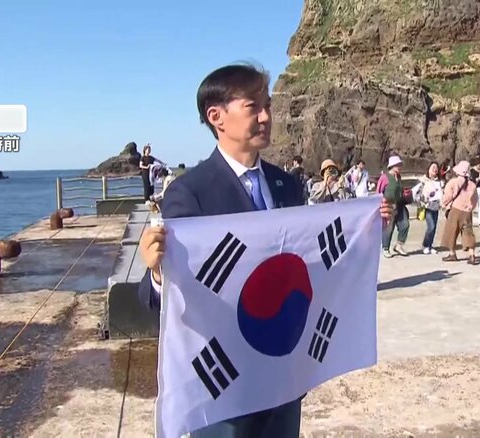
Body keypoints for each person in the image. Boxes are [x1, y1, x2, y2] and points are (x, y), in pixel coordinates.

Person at [136, 63, 392, 438]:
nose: (266, 116)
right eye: (253, 106)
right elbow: (156, 300)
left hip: (283, 376)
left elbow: (312, 263)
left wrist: (366, 230)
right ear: (216, 117)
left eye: (268, 105)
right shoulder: (190, 192)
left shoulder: (286, 184)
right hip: (226, 388)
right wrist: (159, 272)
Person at [440, 160, 479, 265]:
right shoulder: (472, 185)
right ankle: (471, 255)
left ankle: (452, 253)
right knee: (468, 232)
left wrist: (444, 204)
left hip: (455, 209)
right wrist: (470, 207)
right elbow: (475, 199)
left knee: (451, 231)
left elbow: (448, 196)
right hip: (467, 212)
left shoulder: (453, 182)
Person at [382, 155, 410, 258]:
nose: (400, 167)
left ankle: (399, 245)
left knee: (405, 224)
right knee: (389, 228)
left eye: (400, 165)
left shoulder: (399, 177)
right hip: (389, 205)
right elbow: (379, 191)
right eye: (398, 165)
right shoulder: (385, 177)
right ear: (392, 166)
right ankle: (385, 248)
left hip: (400, 204)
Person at [412, 162, 444, 254]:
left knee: (434, 228)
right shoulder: (423, 180)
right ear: (428, 169)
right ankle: (425, 245)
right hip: (427, 206)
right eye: (432, 167)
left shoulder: (439, 182)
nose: (435, 169)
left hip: (436, 206)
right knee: (431, 226)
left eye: (436, 168)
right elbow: (416, 192)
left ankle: (430, 245)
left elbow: (442, 193)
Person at [469, 157, 480, 225]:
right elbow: (475, 180)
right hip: (475, 188)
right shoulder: (472, 171)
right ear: (476, 164)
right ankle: (469, 220)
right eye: (479, 165)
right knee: (472, 205)